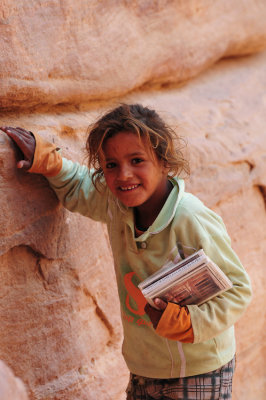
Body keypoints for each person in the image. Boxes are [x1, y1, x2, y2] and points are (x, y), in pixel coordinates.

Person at [1, 104, 252, 400]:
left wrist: (188, 322)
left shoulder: (190, 219)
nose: (124, 174)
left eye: (137, 160)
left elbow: (239, 290)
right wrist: (49, 162)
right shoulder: (117, 205)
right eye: (111, 165)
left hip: (199, 368)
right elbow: (82, 187)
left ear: (163, 162)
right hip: (145, 365)